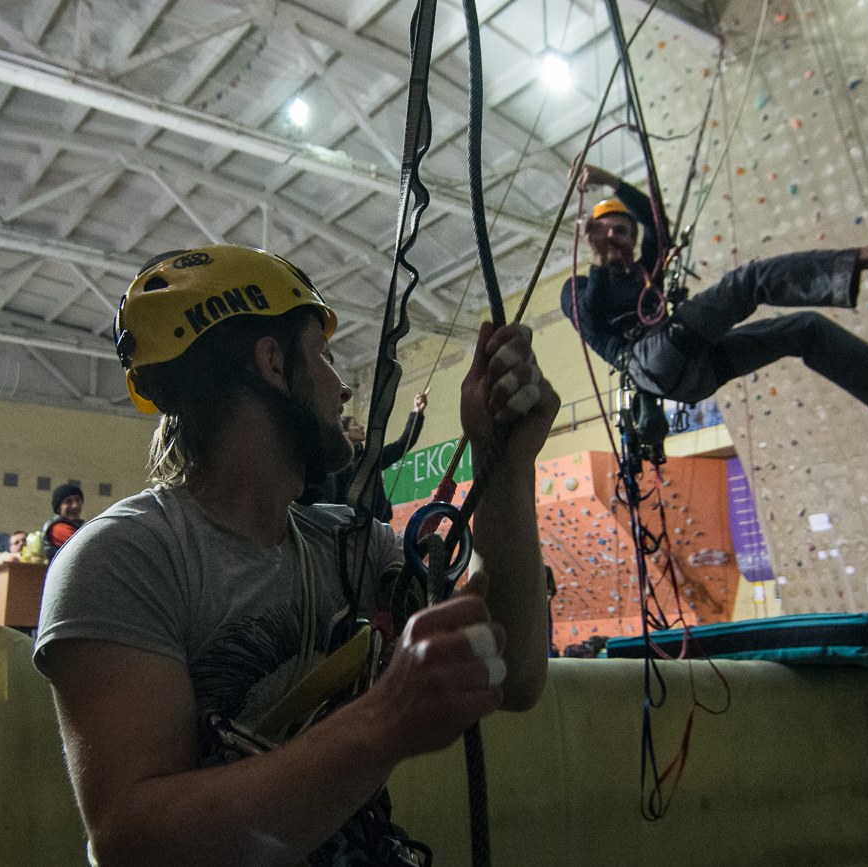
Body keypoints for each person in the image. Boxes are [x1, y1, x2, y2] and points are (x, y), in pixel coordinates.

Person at [33, 245, 558, 866]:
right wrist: (382, 722)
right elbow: (131, 839)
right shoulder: (124, 557)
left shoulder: (348, 545)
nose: (341, 389)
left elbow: (516, 674)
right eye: (326, 357)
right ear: (273, 361)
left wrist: (503, 459)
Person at [562, 165, 868, 418]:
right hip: (649, 363)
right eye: (607, 231)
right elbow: (593, 321)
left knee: (803, 329)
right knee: (749, 281)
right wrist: (600, 266)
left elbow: (655, 219)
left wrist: (608, 180)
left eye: (623, 229)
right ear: (591, 239)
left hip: (697, 368)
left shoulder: (646, 270)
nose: (617, 236)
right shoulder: (578, 286)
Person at [321, 390, 430, 522]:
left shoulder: (371, 457)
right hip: (351, 528)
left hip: (380, 524)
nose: (361, 427)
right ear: (345, 433)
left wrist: (416, 412)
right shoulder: (338, 464)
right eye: (355, 425)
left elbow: (403, 444)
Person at [41, 483, 84, 560]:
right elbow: (84, 547)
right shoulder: (58, 528)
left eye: (78, 500)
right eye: (68, 501)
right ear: (58, 508)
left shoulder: (78, 526)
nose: (75, 505)